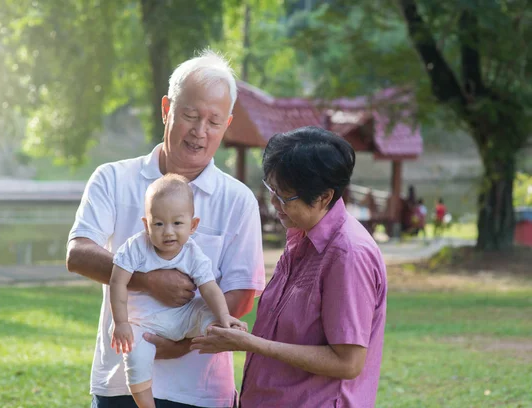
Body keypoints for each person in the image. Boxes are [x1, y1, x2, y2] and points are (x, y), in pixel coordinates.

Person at [66, 49, 265, 408]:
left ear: (227, 124)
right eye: (189, 115)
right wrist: (145, 279)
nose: (200, 132)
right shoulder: (113, 178)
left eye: (214, 122)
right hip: (120, 384)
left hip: (201, 391)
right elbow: (78, 254)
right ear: (165, 109)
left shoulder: (237, 200)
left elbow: (242, 293)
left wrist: (182, 346)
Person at [191, 126, 387, 408]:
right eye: (272, 189)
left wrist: (251, 344)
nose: (274, 203)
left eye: (285, 197)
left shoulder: (348, 254)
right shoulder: (301, 235)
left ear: (324, 197)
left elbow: (348, 362)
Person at [110, 174, 247, 408]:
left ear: (193, 225)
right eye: (159, 223)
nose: (168, 232)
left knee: (207, 310)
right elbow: (117, 283)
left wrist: (223, 317)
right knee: (135, 356)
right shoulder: (135, 247)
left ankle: (226, 329)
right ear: (146, 224)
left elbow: (209, 288)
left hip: (183, 319)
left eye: (177, 223)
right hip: (143, 323)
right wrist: (121, 323)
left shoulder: (193, 253)